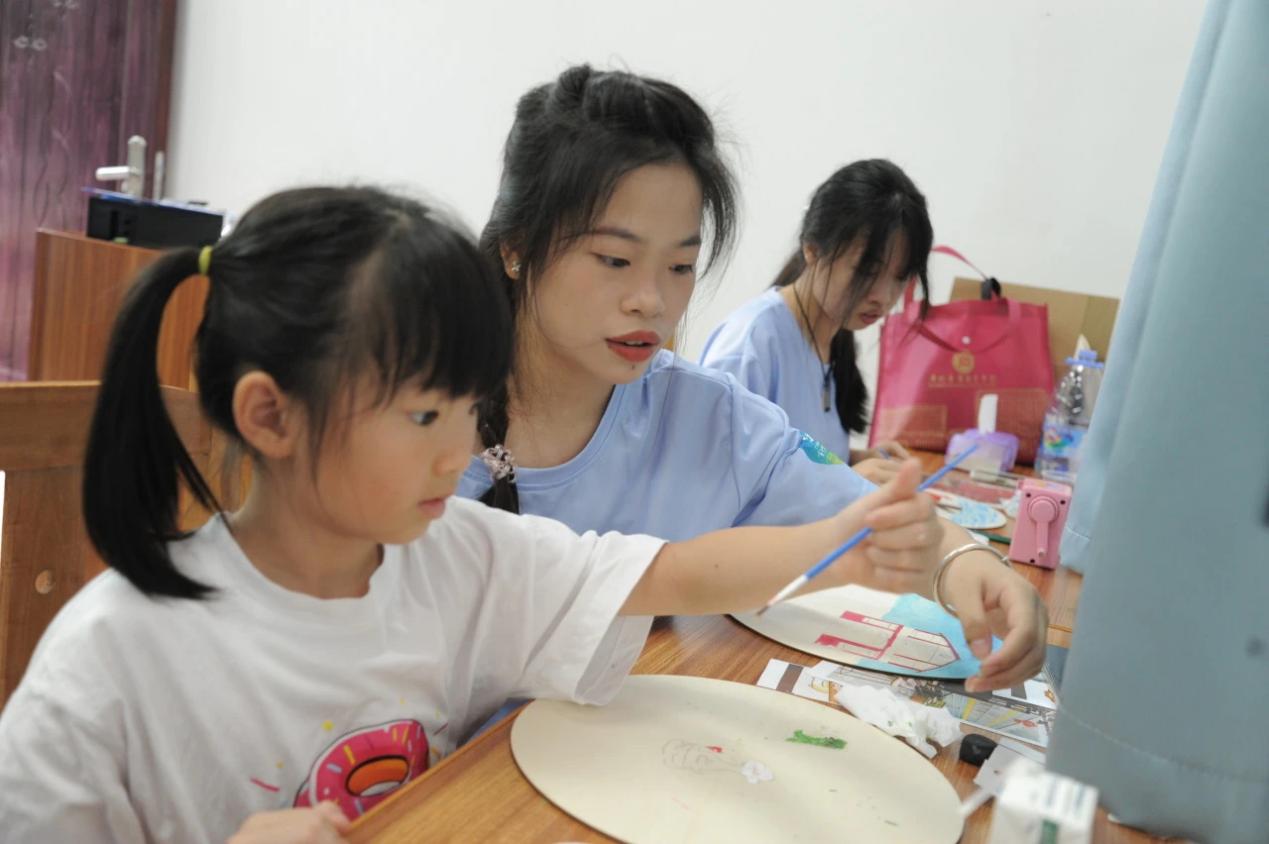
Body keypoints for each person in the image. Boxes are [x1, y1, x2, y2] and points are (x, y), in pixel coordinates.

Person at [0, 186, 953, 843]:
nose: (458, 449)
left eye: (469, 407)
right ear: (271, 416)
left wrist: (839, 544)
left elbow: (667, 573)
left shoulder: (456, 553)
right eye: (423, 415)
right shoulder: (111, 663)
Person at [463, 65, 1044, 684]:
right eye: (615, 259)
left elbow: (868, 520)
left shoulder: (704, 414)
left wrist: (965, 563)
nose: (651, 301)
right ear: (517, 246)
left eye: (680, 266)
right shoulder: (421, 417)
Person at [700, 159, 932, 484]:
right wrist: (844, 480)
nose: (883, 296)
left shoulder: (834, 336)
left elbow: (792, 455)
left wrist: (855, 459)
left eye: (900, 277)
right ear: (812, 250)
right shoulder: (751, 344)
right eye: (867, 271)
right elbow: (717, 483)